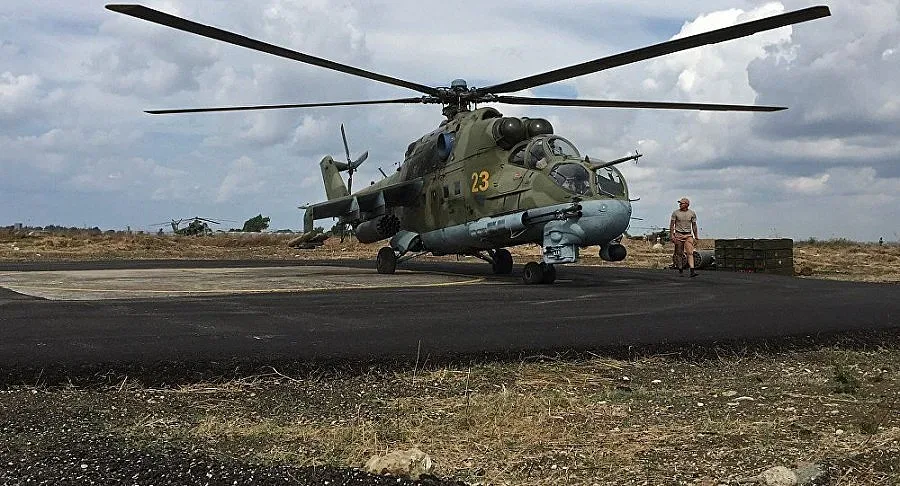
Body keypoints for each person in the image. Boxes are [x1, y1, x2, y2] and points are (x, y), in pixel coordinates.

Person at [670, 197, 699, 277]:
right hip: (678, 235)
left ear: (686, 204)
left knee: (690, 252)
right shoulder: (675, 213)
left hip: (688, 235)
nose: (680, 204)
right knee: (679, 253)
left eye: (681, 203)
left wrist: (696, 236)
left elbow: (694, 225)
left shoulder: (692, 213)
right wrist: (672, 235)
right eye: (679, 203)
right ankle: (680, 269)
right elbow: (672, 225)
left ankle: (692, 271)